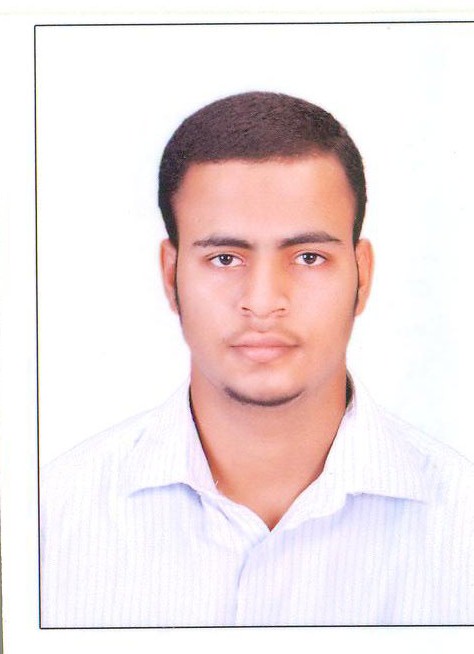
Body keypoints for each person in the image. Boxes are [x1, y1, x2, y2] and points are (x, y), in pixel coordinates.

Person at [40, 91, 474, 628]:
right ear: (170, 276)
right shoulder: (45, 523)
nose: (264, 301)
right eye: (225, 258)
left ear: (362, 275)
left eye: (309, 257)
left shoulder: (464, 527)